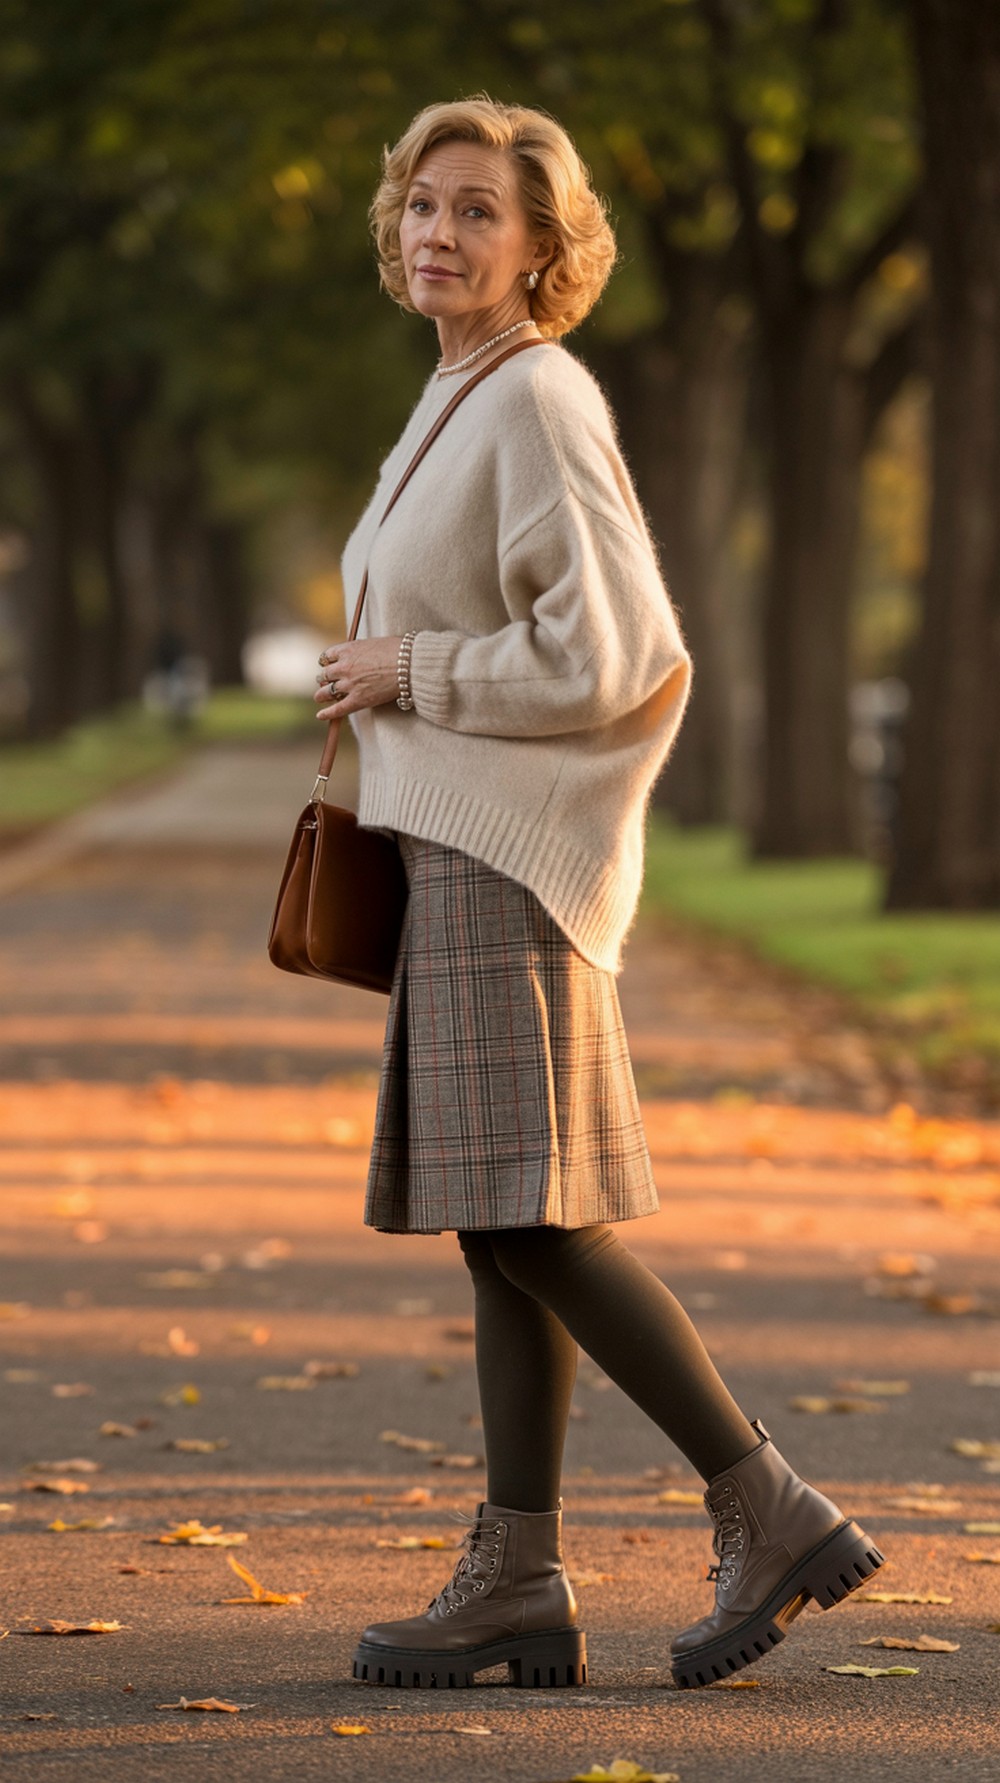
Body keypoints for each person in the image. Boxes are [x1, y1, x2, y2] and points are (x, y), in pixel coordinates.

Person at [313, 96, 885, 1693]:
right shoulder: (453, 396)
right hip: (459, 855)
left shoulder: (537, 399)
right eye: (423, 204)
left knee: (537, 1224)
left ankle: (766, 1506)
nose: (440, 232)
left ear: (546, 250)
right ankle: (519, 1578)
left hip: (513, 862)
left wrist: (406, 665)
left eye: (481, 211)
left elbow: (621, 651)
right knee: (501, 1237)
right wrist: (383, 679)